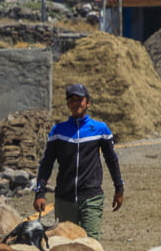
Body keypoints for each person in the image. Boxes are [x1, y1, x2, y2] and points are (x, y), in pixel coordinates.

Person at [33, 83, 125, 239]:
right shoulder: (58, 131)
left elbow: (111, 160)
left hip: (91, 197)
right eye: (72, 100)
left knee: (91, 242)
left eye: (79, 100)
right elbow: (47, 163)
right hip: (64, 199)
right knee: (65, 243)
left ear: (87, 102)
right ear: (68, 104)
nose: (76, 103)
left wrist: (119, 188)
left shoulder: (100, 130)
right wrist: (40, 192)